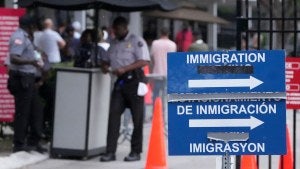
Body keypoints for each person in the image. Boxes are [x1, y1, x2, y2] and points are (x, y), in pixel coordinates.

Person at [100, 16, 150, 162]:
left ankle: (135, 151)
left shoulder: (136, 41)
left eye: (118, 29)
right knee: (113, 116)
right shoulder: (112, 43)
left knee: (137, 118)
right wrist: (104, 65)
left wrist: (125, 68)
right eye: (114, 30)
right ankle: (110, 152)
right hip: (120, 82)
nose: (115, 32)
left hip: (134, 81)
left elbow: (145, 61)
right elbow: (106, 60)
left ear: (125, 27)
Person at [7, 14, 47, 153]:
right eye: (34, 26)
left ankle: (33, 142)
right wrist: (31, 62)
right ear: (30, 26)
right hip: (21, 79)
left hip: (29, 79)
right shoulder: (19, 37)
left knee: (37, 109)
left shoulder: (27, 38)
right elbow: (14, 58)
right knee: (22, 113)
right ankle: (18, 145)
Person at [150, 27, 176, 115]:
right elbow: (173, 61)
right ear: (168, 33)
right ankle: (164, 115)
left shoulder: (155, 43)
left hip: (157, 73)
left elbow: (152, 59)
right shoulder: (172, 45)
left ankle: (155, 113)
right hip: (168, 74)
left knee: (156, 95)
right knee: (165, 96)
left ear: (160, 32)